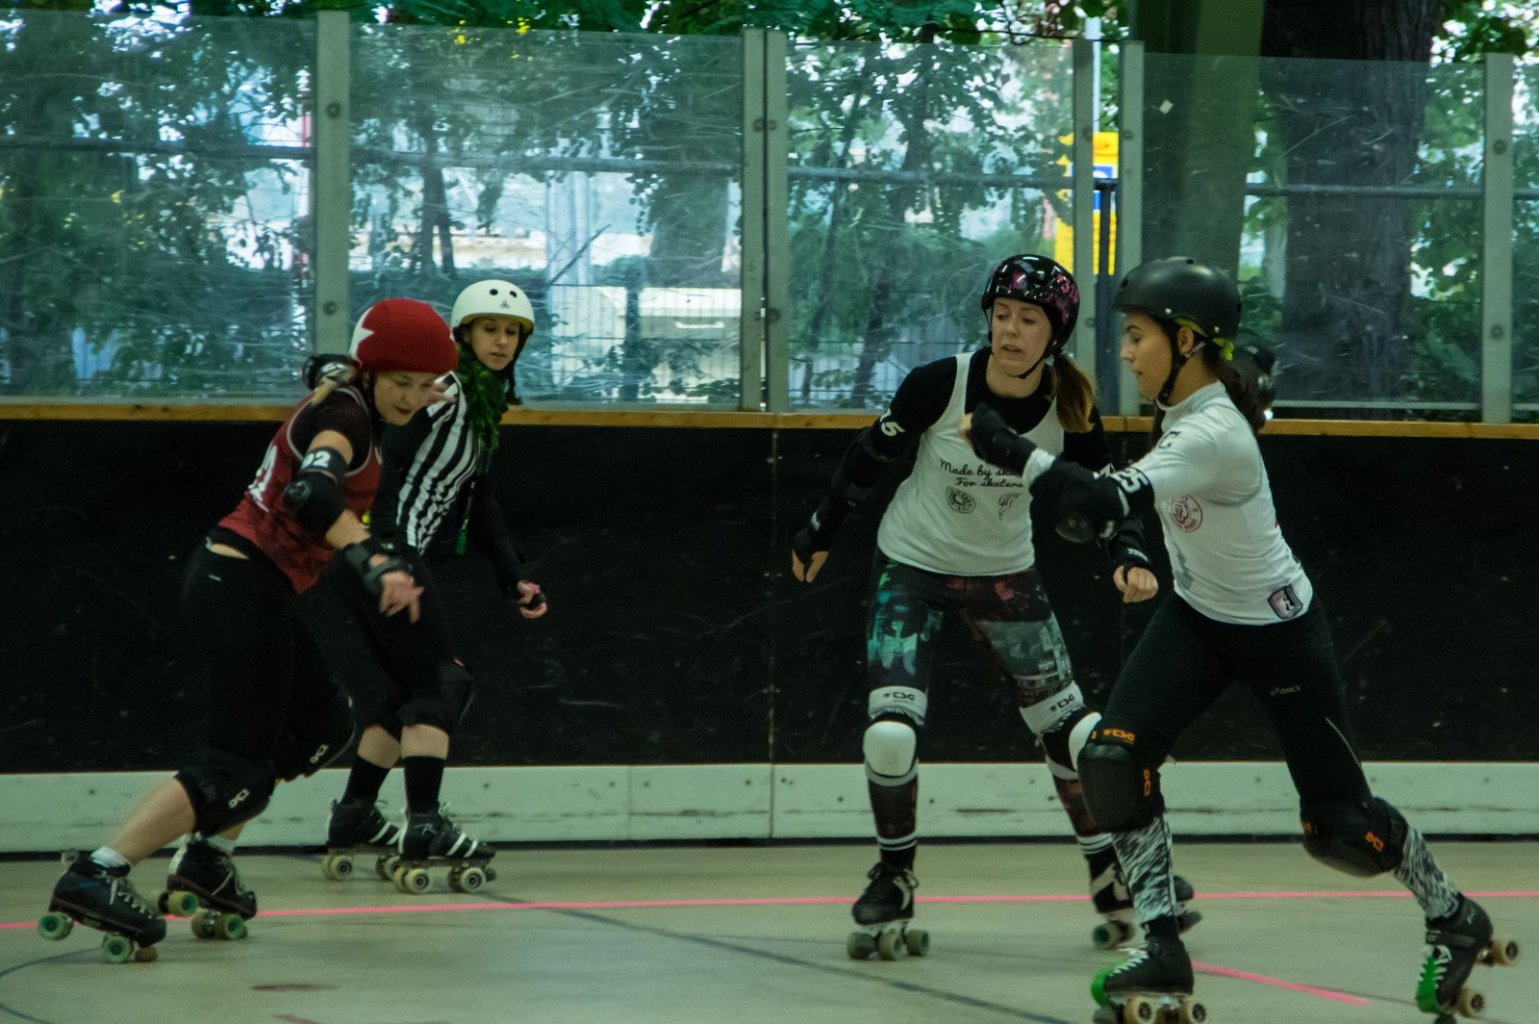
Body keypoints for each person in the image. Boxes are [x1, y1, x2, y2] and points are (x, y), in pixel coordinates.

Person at [965, 255, 1512, 1019]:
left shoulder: (1212, 431)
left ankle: (1452, 914)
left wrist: (1004, 446)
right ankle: (1160, 941)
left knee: (1340, 830)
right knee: (1112, 759)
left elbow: (1090, 505)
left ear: (1185, 341)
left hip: (1277, 633)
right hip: (1197, 615)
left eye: (1133, 336)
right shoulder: (1190, 402)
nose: (1122, 352)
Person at [789, 253, 1196, 958]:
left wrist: (1127, 554)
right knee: (890, 733)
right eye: (1001, 316)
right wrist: (822, 525)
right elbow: (869, 455)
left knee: (1074, 733)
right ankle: (894, 874)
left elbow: (1105, 495)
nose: (1009, 332)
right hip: (911, 569)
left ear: (1053, 335)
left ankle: (1108, 867)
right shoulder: (938, 384)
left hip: (1004, 577)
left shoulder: (1068, 408)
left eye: (1027, 320)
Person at [40, 299, 457, 960]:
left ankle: (205, 858)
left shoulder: (351, 394)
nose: (411, 397)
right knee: (238, 767)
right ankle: (98, 871)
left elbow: (335, 380)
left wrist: (342, 368)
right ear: (374, 374)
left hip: (250, 585)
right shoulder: (348, 414)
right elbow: (312, 494)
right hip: (238, 583)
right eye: (400, 382)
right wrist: (370, 556)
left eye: (422, 384)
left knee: (321, 727)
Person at [321, 279, 547, 893]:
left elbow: (479, 496)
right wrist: (384, 550)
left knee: (409, 689)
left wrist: (514, 576)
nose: (500, 342)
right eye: (489, 330)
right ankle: (424, 822)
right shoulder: (443, 390)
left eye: (511, 333)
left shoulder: (485, 400)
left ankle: (356, 814)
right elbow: (385, 459)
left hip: (381, 553)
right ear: (463, 336)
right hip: (382, 549)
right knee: (441, 682)